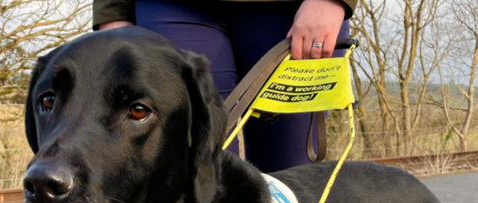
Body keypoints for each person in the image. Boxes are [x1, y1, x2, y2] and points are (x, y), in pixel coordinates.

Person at [94, 0, 355, 173]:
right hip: (170, 7)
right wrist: (113, 11)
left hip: (292, 13)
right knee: (194, 179)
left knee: (292, 186)